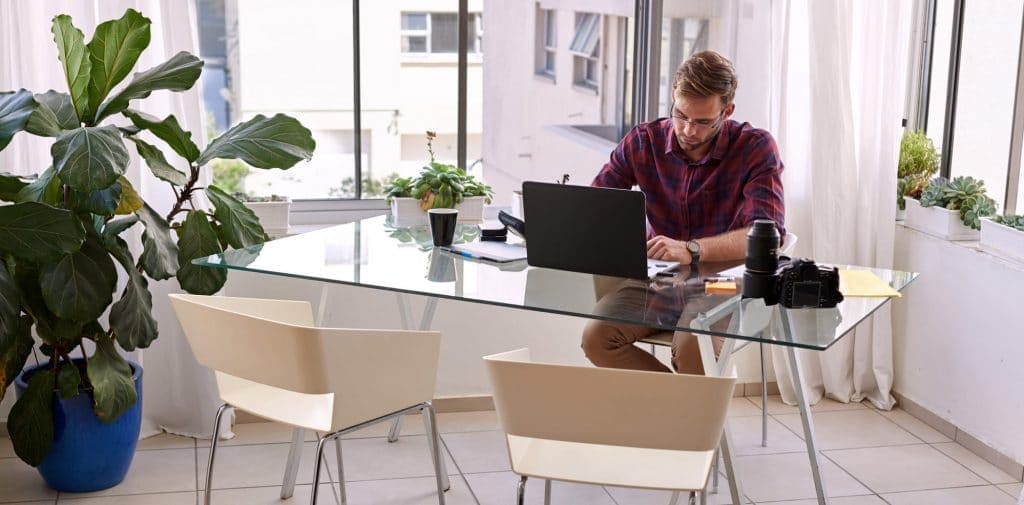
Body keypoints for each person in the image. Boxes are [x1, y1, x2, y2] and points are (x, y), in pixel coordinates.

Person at [582, 50, 786, 375]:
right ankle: (677, 411)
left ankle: (686, 415)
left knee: (693, 344)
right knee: (597, 338)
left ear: (727, 111)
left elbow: (769, 235)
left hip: (723, 283)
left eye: (703, 121)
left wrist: (693, 249)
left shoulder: (755, 148)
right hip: (659, 280)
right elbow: (596, 206)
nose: (689, 130)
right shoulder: (643, 142)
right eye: (681, 115)